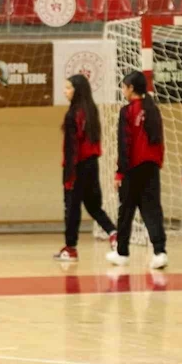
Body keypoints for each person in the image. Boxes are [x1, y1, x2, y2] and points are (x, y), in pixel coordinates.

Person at [106, 71, 168, 269]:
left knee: (126, 211)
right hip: (151, 167)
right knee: (152, 210)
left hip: (132, 169)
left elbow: (124, 144)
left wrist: (120, 172)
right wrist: (158, 162)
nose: (123, 91)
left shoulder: (127, 111)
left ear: (131, 88)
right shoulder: (153, 109)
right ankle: (160, 252)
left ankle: (122, 253)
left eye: (124, 87)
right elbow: (159, 141)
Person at [54, 74, 117, 262]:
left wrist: (69, 175)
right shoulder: (91, 111)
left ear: (77, 90)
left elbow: (72, 147)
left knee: (72, 208)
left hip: (77, 166)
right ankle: (113, 233)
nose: (65, 91)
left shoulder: (73, 114)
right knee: (93, 206)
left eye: (68, 88)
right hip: (92, 165)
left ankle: (70, 248)